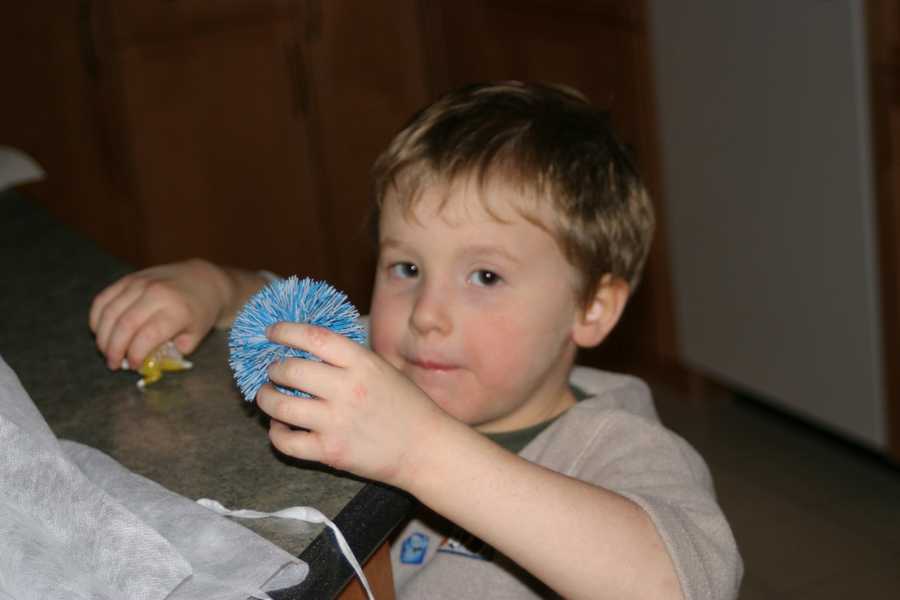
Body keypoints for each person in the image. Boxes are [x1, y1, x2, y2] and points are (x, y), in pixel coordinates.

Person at [89, 81, 742, 599]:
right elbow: (282, 312)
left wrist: (419, 450)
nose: (426, 314)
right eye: (406, 268)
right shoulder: (393, 359)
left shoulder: (619, 446)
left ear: (591, 308)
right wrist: (212, 286)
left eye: (485, 276)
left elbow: (674, 585)